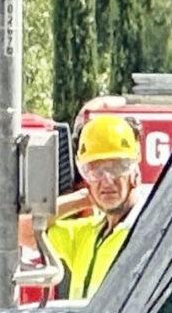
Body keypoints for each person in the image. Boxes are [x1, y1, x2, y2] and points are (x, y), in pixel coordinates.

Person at [47, 109, 144, 301]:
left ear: (134, 171)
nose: (107, 180)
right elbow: (22, 230)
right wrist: (85, 197)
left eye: (117, 167)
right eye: (94, 170)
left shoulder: (149, 231)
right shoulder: (86, 236)